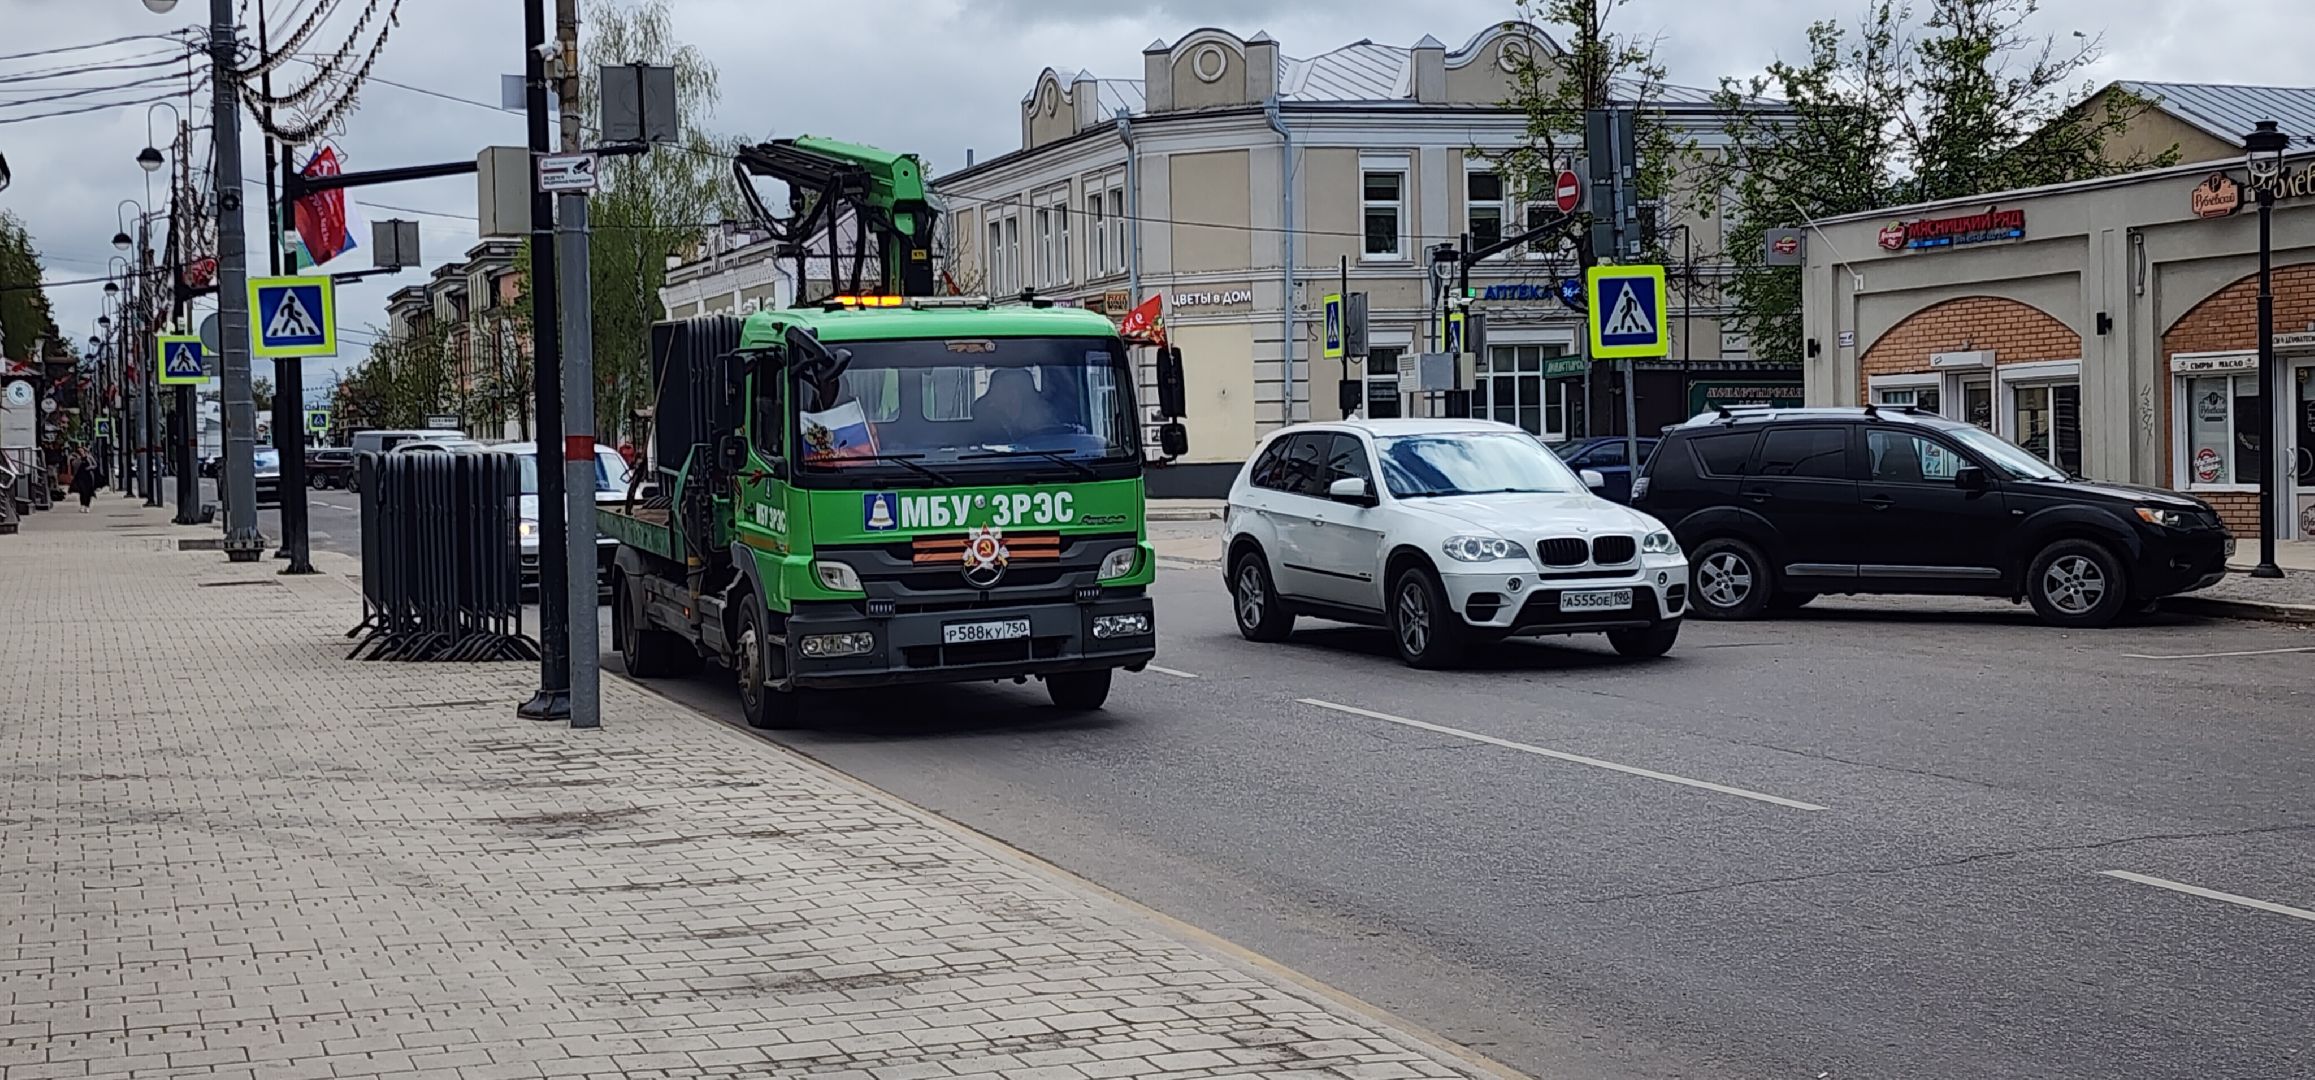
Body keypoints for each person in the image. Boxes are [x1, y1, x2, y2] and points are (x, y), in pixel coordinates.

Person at [69, 448, 100, 512]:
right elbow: (74, 465)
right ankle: (82, 505)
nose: (81, 452)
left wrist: (90, 467)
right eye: (79, 451)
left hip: (89, 477)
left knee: (88, 492)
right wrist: (78, 459)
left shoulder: (89, 457)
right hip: (80, 477)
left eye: (82, 451)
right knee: (82, 492)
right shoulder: (76, 458)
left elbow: (95, 465)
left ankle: (87, 506)